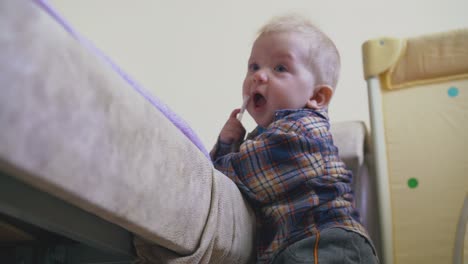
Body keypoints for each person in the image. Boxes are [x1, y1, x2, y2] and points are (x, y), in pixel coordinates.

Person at [210, 14, 378, 264]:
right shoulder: (267, 135)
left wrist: (225, 146)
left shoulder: (298, 132)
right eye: (253, 66)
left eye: (279, 68)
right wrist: (231, 143)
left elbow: (226, 177)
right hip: (305, 244)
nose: (258, 76)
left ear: (317, 97)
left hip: (325, 241)